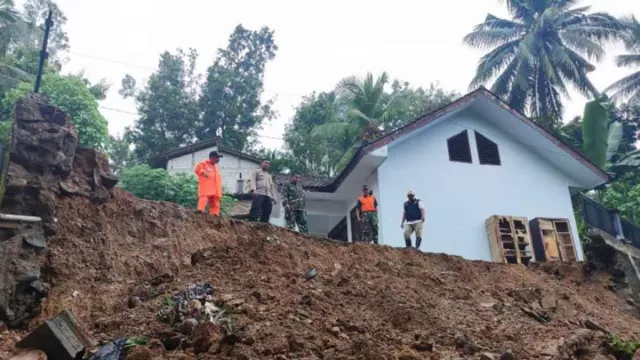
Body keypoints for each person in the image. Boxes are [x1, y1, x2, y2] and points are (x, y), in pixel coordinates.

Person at [194, 151, 223, 216]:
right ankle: (200, 211)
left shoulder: (216, 167)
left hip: (216, 190)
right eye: (217, 157)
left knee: (215, 203)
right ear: (212, 157)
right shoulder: (204, 164)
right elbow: (197, 169)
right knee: (204, 198)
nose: (218, 159)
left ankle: (214, 215)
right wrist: (203, 172)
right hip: (206, 187)